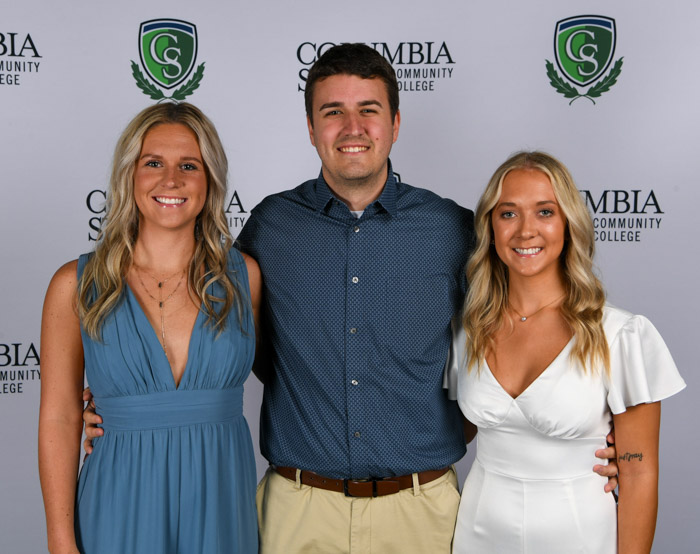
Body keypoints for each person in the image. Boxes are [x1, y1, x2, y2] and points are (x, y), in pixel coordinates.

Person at [83, 46, 618, 553]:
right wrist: (119, 406)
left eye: (369, 110)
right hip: (296, 510)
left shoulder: (452, 231)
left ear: (395, 124)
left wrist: (586, 436)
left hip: (422, 510)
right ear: (312, 128)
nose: (353, 128)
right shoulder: (271, 227)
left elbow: (510, 341)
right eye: (333, 112)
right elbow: (212, 329)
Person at [38, 103, 261, 553]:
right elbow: (60, 416)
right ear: (129, 175)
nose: (171, 180)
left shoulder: (246, 278)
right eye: (153, 163)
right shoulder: (74, 285)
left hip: (221, 501)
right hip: (117, 500)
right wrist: (60, 542)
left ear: (209, 180)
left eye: (189, 166)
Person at [448, 151, 685, 553]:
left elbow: (640, 474)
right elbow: (455, 434)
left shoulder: (619, 334)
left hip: (580, 537)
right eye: (508, 213)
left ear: (568, 224)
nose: (526, 231)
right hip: (479, 533)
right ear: (490, 226)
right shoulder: (466, 330)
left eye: (544, 212)